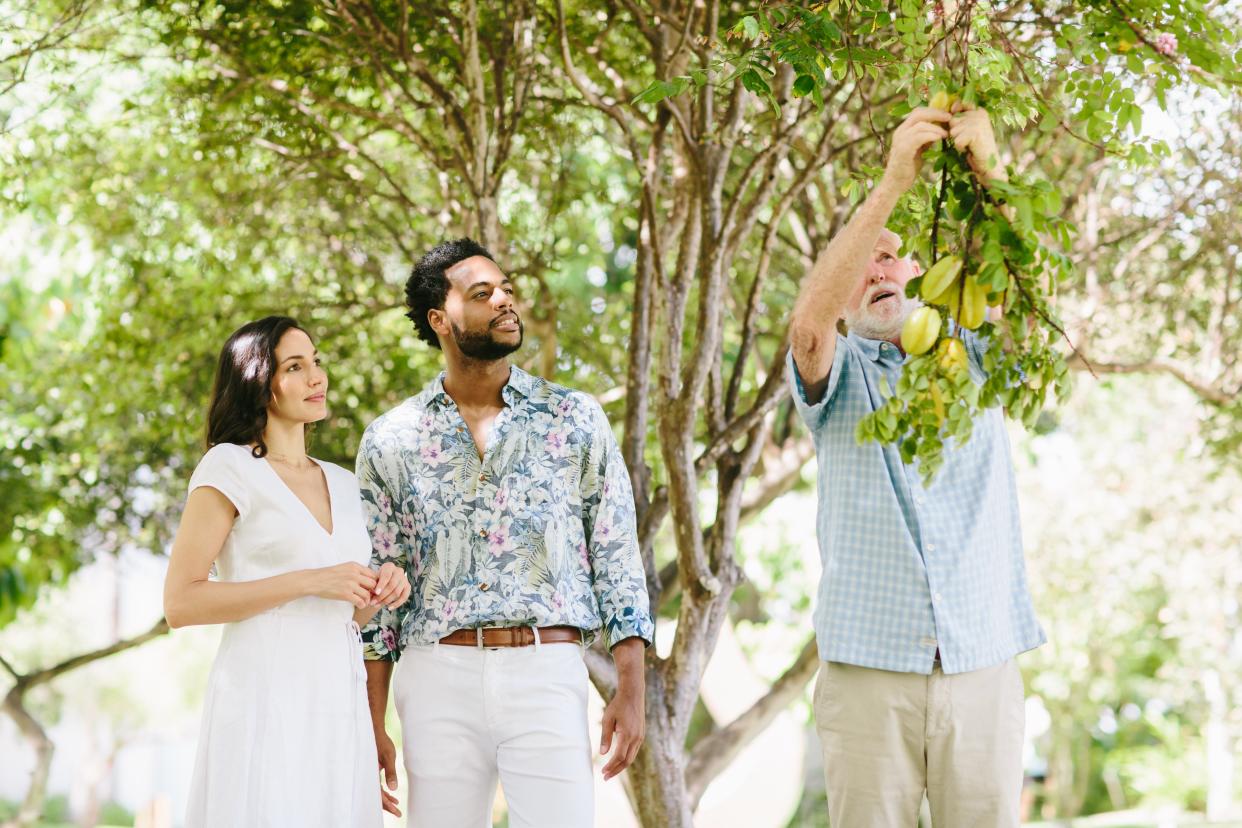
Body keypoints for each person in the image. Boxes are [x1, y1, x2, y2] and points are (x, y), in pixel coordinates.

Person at [786, 104, 1045, 826]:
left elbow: (1035, 300)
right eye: (863, 258)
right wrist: (896, 180)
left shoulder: (976, 358)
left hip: (982, 664)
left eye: (891, 254)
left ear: (922, 275)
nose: (876, 266)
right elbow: (810, 326)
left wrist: (989, 169)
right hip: (869, 673)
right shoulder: (838, 377)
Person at [357, 238, 654, 828]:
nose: (504, 301)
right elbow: (381, 597)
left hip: (547, 666)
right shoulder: (389, 440)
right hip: (436, 672)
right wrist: (370, 724)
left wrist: (631, 686)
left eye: (506, 289)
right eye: (482, 294)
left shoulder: (573, 417)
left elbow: (616, 552)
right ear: (440, 319)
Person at [164, 315, 411, 827]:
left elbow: (344, 615)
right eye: (295, 367)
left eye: (316, 362)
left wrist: (382, 589)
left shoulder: (345, 485)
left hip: (336, 705)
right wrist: (310, 581)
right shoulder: (228, 467)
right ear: (259, 381)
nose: (316, 377)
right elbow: (181, 603)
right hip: (263, 696)